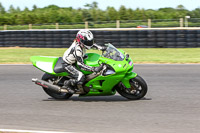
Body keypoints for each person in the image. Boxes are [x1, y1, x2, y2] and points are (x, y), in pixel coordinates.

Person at [62, 29, 106, 93]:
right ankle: (67, 84)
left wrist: (102, 48)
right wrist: (93, 69)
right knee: (81, 77)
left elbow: (92, 45)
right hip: (68, 64)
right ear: (80, 41)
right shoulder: (77, 49)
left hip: (77, 59)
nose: (89, 44)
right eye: (87, 42)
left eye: (90, 41)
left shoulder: (82, 44)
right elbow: (80, 65)